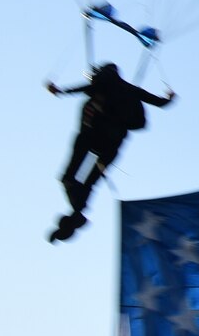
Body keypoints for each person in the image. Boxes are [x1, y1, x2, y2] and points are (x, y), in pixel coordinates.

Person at [46, 63, 174, 241]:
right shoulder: (131, 90)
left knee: (69, 178)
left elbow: (82, 88)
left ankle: (77, 213)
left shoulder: (102, 84)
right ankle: (76, 213)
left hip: (91, 138)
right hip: (110, 147)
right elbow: (160, 102)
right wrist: (169, 97)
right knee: (87, 182)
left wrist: (59, 91)